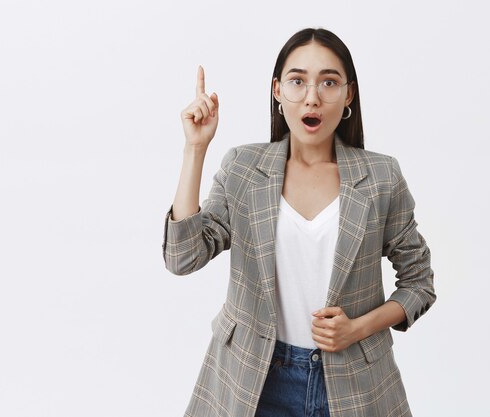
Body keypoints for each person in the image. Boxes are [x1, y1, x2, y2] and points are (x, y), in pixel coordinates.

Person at [162, 28, 437, 417]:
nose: (312, 97)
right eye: (297, 81)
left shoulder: (381, 177)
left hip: (353, 385)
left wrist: (357, 328)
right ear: (277, 91)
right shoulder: (243, 169)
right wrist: (195, 149)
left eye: (329, 81)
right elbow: (182, 257)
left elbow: (419, 283)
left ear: (349, 95)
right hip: (253, 380)